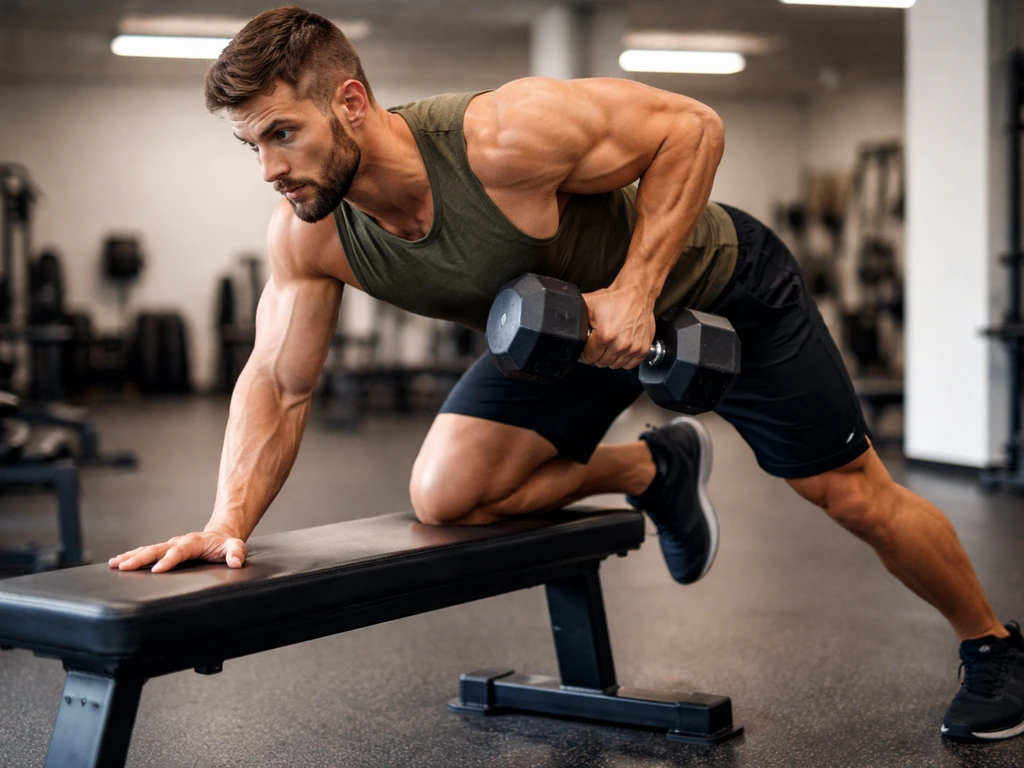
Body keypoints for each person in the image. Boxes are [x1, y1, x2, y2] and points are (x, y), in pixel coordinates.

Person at [109, 6, 1023, 742]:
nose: (270, 169)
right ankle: (656, 467)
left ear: (350, 103)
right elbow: (278, 380)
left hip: (718, 286)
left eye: (281, 134)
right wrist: (227, 520)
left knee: (849, 493)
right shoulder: (312, 235)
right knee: (449, 495)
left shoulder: (501, 137)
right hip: (564, 331)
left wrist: (635, 288)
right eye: (251, 148)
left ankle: (993, 644)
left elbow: (693, 129)